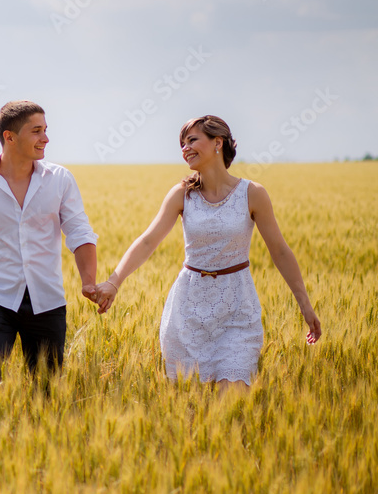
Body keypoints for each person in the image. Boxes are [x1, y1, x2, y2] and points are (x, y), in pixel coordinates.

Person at [93, 115, 322, 387]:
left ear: (217, 143)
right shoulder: (182, 194)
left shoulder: (253, 193)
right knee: (191, 409)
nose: (184, 148)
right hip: (188, 311)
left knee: (232, 402)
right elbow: (147, 241)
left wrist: (305, 306)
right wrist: (113, 282)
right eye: (182, 143)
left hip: (237, 309)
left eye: (192, 140)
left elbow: (280, 252)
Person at [0, 100, 98, 405]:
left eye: (46, 130)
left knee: (47, 390)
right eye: (36, 131)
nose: (46, 138)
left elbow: (80, 232)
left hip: (47, 299)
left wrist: (88, 281)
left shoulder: (60, 179)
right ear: (9, 137)